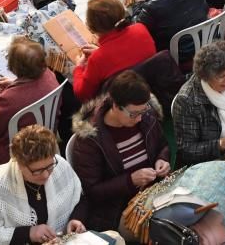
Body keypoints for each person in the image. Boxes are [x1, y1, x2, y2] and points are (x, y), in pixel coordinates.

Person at [70, 71, 170, 231]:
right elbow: (91, 191)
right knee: (170, 230)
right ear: (116, 106)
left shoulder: (146, 114)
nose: (139, 118)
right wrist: (130, 181)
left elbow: (162, 144)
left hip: (154, 193)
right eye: (133, 114)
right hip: (118, 210)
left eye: (143, 111)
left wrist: (162, 159)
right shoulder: (90, 139)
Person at [0, 125, 85, 242]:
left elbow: (80, 198)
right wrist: (29, 233)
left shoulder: (60, 165)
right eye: (37, 171)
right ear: (19, 164)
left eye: (49, 167)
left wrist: (75, 219)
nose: (46, 175)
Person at [0, 38, 61, 168]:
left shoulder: (10, 98)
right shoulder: (49, 75)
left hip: (15, 152)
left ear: (14, 67)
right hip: (46, 133)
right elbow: (31, 89)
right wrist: (14, 84)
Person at [72, 0, 156, 102]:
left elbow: (82, 94)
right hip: (151, 87)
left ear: (91, 28)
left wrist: (79, 68)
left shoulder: (97, 59)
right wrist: (101, 51)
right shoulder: (141, 29)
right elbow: (125, 53)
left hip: (123, 101)